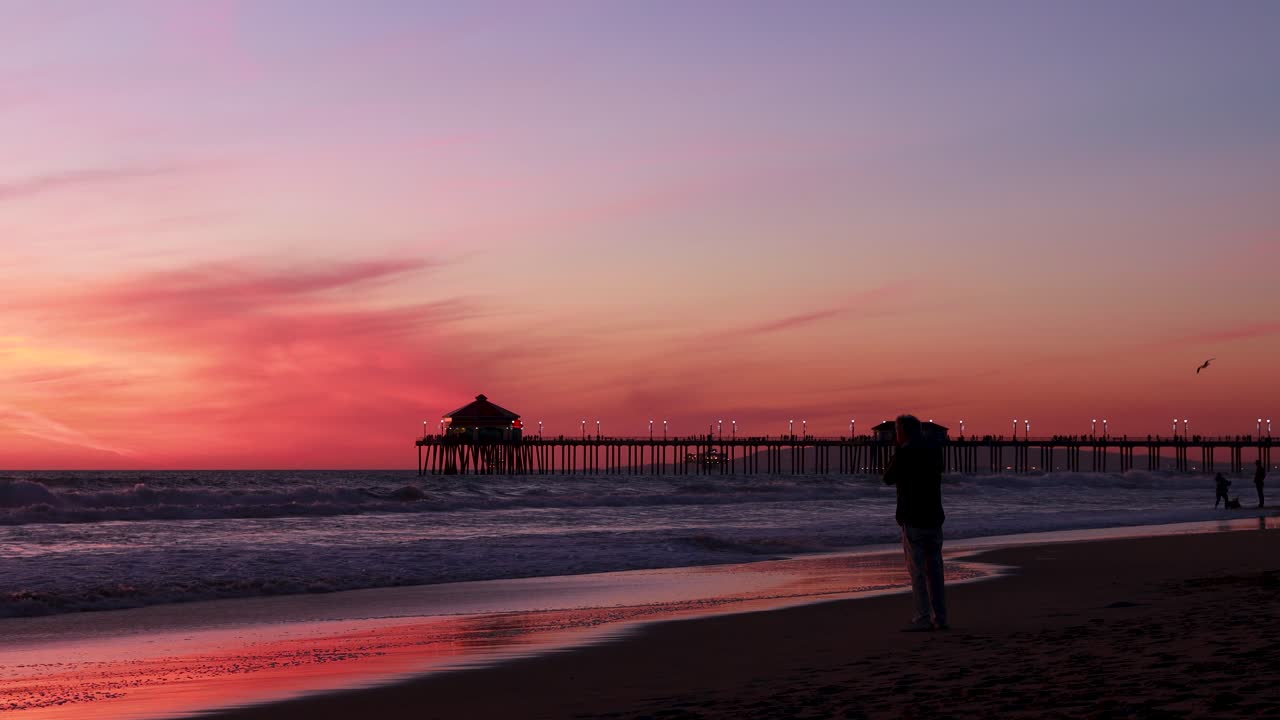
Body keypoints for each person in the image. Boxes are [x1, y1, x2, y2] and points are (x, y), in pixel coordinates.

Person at [883, 413, 947, 631]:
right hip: (934, 517)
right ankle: (941, 617)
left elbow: (887, 477)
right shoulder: (934, 452)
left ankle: (922, 618)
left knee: (918, 572)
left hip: (913, 519)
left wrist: (899, 450)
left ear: (903, 432)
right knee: (936, 571)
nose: (895, 436)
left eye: (896, 432)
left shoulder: (905, 454)